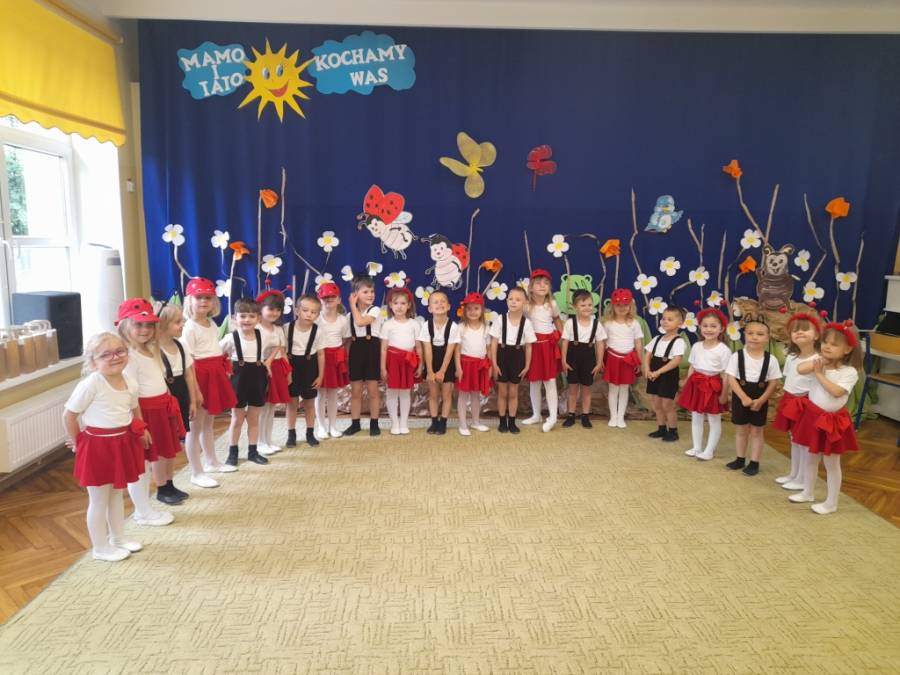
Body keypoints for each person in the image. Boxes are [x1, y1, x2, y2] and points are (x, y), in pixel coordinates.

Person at [62, 333, 148, 561]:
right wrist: (78, 442)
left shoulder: (130, 381)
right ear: (93, 362)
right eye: (105, 355)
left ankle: (118, 538)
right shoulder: (91, 384)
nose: (115, 357)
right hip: (97, 448)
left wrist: (141, 430)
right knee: (99, 499)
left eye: (120, 351)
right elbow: (69, 415)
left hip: (121, 443)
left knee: (116, 495)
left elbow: (134, 409)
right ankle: (99, 548)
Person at [788, 320, 861, 514]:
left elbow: (836, 392)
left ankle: (831, 503)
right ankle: (808, 492)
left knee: (831, 463)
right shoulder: (819, 363)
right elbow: (800, 369)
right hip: (813, 418)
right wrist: (820, 362)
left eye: (834, 344)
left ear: (848, 349)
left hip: (833, 422)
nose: (827, 346)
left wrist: (819, 374)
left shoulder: (849, 372)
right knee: (811, 458)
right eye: (825, 342)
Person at [117, 299, 178, 524]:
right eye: (138, 325)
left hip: (159, 410)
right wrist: (139, 425)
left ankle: (145, 509)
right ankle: (142, 512)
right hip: (143, 414)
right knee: (140, 465)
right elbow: (131, 395)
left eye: (149, 325)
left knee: (153, 459)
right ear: (125, 326)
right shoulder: (129, 356)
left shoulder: (151, 350)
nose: (145, 330)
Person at [181, 277, 237, 487]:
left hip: (214, 373)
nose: (204, 301)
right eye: (199, 298)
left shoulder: (211, 323)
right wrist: (194, 391)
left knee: (209, 423)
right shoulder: (189, 327)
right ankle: (196, 472)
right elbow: (188, 361)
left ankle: (211, 461)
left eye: (208, 298)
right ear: (190, 300)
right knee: (195, 427)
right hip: (199, 376)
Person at [725, 316, 782, 476]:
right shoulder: (737, 356)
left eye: (760, 334)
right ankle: (740, 459)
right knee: (741, 430)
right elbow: (731, 378)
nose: (754, 337)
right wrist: (743, 397)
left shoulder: (771, 360)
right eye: (750, 333)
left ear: (767, 338)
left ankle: (754, 462)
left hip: (760, 397)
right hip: (740, 396)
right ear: (745, 335)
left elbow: (773, 382)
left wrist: (762, 400)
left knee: (757, 431)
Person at [772, 312, 821, 490]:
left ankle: (802, 479)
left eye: (805, 329)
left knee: (804, 442)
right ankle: (794, 474)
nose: (799, 333)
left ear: (816, 335)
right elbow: (789, 379)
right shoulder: (792, 357)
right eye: (795, 330)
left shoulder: (818, 360)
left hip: (806, 404)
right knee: (794, 440)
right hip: (790, 401)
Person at [219, 298, 269, 466]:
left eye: (252, 316)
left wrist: (268, 365)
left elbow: (276, 349)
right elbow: (216, 354)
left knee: (254, 419)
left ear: (258, 319)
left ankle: (253, 452)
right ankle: (232, 453)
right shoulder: (231, 338)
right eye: (243, 316)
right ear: (235, 318)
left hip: (258, 379)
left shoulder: (262, 336)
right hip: (238, 381)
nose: (247, 320)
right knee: (237, 419)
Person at [677, 308, 731, 461]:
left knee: (714, 419)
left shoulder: (724, 350)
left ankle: (709, 450)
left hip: (714, 386)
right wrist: (687, 384)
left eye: (713, 326)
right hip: (696, 384)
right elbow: (692, 367)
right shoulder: (697, 346)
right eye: (705, 325)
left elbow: (727, 374)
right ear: (700, 327)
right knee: (696, 416)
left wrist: (724, 394)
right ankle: (697, 447)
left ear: (721, 328)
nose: (709, 329)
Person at [157, 303, 197, 504]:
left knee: (174, 444)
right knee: (162, 446)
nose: (182, 325)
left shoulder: (182, 345)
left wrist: (193, 400)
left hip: (181, 396)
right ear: (163, 324)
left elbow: (189, 374)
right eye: (177, 322)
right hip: (164, 398)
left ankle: (170, 483)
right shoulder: (154, 350)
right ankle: (161, 487)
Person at [489, 286, 536, 434]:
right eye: (511, 299)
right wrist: (494, 363)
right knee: (502, 392)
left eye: (518, 299)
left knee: (514, 392)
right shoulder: (500, 319)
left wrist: (527, 366)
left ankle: (512, 421)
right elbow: (493, 342)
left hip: (517, 357)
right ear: (507, 301)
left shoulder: (526, 323)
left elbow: (529, 347)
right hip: (502, 356)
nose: (513, 302)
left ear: (525, 303)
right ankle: (502, 421)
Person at [522, 269, 564, 432]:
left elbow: (557, 320)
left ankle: (553, 417)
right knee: (534, 382)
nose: (542, 286)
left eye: (546, 283)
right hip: (533, 346)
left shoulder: (552, 304)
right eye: (538, 283)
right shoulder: (526, 306)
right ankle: (536, 415)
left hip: (548, 346)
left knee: (550, 381)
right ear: (531, 287)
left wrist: (562, 338)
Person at [560, 289, 606, 428]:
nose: (587, 308)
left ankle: (585, 415)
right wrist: (563, 360)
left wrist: (599, 362)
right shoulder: (570, 323)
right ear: (575, 307)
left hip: (589, 358)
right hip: (572, 358)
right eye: (583, 305)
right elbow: (565, 342)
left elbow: (600, 344)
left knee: (586, 389)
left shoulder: (596, 324)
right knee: (573, 388)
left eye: (590, 305)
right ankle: (571, 415)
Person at [284, 295, 326, 447]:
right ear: (297, 311)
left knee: (309, 403)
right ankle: (291, 434)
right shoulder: (287, 328)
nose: (309, 314)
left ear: (318, 314)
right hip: (291, 367)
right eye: (305, 310)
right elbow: (283, 353)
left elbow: (321, 354)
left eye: (314, 312)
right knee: (292, 403)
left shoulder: (318, 331)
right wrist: (287, 373)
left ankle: (310, 433)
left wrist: (320, 376)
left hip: (310, 367)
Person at [380, 287, 423, 435]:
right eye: (396, 303)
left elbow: (418, 347)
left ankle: (404, 423)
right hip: (392, 361)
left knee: (405, 393)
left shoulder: (414, 324)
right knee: (392, 392)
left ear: (409, 305)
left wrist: (420, 365)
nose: (399, 306)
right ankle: (395, 423)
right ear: (390, 305)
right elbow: (383, 348)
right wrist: (383, 368)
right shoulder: (387, 324)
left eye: (403, 303)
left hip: (407, 361)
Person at [418, 290, 460, 435]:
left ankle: (443, 422)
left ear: (448, 306)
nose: (440, 304)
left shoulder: (453, 326)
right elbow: (427, 349)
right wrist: (430, 371)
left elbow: (450, 350)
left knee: (446, 394)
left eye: (443, 301)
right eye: (435, 302)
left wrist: (442, 371)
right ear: (430, 308)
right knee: (434, 394)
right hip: (432, 359)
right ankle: (434, 421)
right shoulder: (426, 325)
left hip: (447, 362)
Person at [346, 275, 382, 437]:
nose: (370, 295)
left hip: (371, 350)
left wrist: (352, 305)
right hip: (356, 351)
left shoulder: (375, 310)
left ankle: (374, 423)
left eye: (372, 291)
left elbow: (361, 322)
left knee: (373, 390)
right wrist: (347, 358)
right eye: (365, 292)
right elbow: (348, 340)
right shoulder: (349, 316)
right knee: (356, 391)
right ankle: (355, 424)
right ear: (355, 294)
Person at [602, 288, 644, 428]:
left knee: (624, 388)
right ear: (613, 306)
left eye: (625, 305)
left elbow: (638, 343)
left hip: (628, 360)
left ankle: (620, 417)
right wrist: (601, 361)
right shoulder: (608, 323)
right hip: (613, 359)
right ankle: (613, 416)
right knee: (613, 388)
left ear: (630, 306)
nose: (622, 308)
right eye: (618, 305)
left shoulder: (634, 323)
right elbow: (602, 343)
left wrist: (639, 361)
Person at [257, 290, 291, 456]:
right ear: (261, 308)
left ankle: (268, 440)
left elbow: (283, 352)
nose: (274, 313)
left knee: (271, 408)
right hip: (261, 369)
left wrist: (288, 372)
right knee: (262, 407)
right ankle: (259, 442)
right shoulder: (256, 328)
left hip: (277, 369)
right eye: (270, 309)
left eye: (278, 310)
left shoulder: (278, 329)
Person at [643, 306, 685, 442]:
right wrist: (647, 369)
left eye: (670, 319)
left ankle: (673, 431)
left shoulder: (678, 341)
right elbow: (647, 355)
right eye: (663, 318)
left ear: (680, 323)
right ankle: (661, 428)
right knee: (656, 404)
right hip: (654, 374)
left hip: (668, 375)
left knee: (667, 405)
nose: (665, 321)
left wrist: (659, 372)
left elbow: (676, 361)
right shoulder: (657, 338)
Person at [315, 282, 351, 438]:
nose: (329, 300)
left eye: (332, 297)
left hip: (336, 358)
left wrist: (341, 357)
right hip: (320, 358)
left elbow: (345, 339)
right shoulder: (316, 319)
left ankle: (333, 426)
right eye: (325, 297)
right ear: (319, 300)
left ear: (339, 299)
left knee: (333, 394)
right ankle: (321, 427)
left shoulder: (343, 320)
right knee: (320, 394)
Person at [455, 292, 493, 436]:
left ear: (482, 310)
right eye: (469, 309)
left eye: (476, 308)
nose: (472, 312)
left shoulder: (486, 327)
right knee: (463, 395)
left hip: (480, 366)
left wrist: (489, 367)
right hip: (465, 365)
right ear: (464, 311)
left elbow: (489, 349)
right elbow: (457, 350)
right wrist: (458, 368)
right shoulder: (461, 327)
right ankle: (462, 424)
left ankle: (476, 422)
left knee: (476, 395)